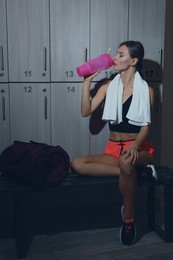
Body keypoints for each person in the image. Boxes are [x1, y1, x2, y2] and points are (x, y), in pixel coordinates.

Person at [71, 41, 156, 246]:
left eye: (120, 55)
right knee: (77, 164)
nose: (114, 58)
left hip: (139, 148)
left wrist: (134, 146)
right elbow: (86, 111)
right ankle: (138, 172)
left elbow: (145, 128)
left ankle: (128, 218)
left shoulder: (148, 91)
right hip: (113, 149)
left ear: (133, 60)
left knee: (127, 162)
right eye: (116, 54)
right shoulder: (109, 86)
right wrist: (86, 84)